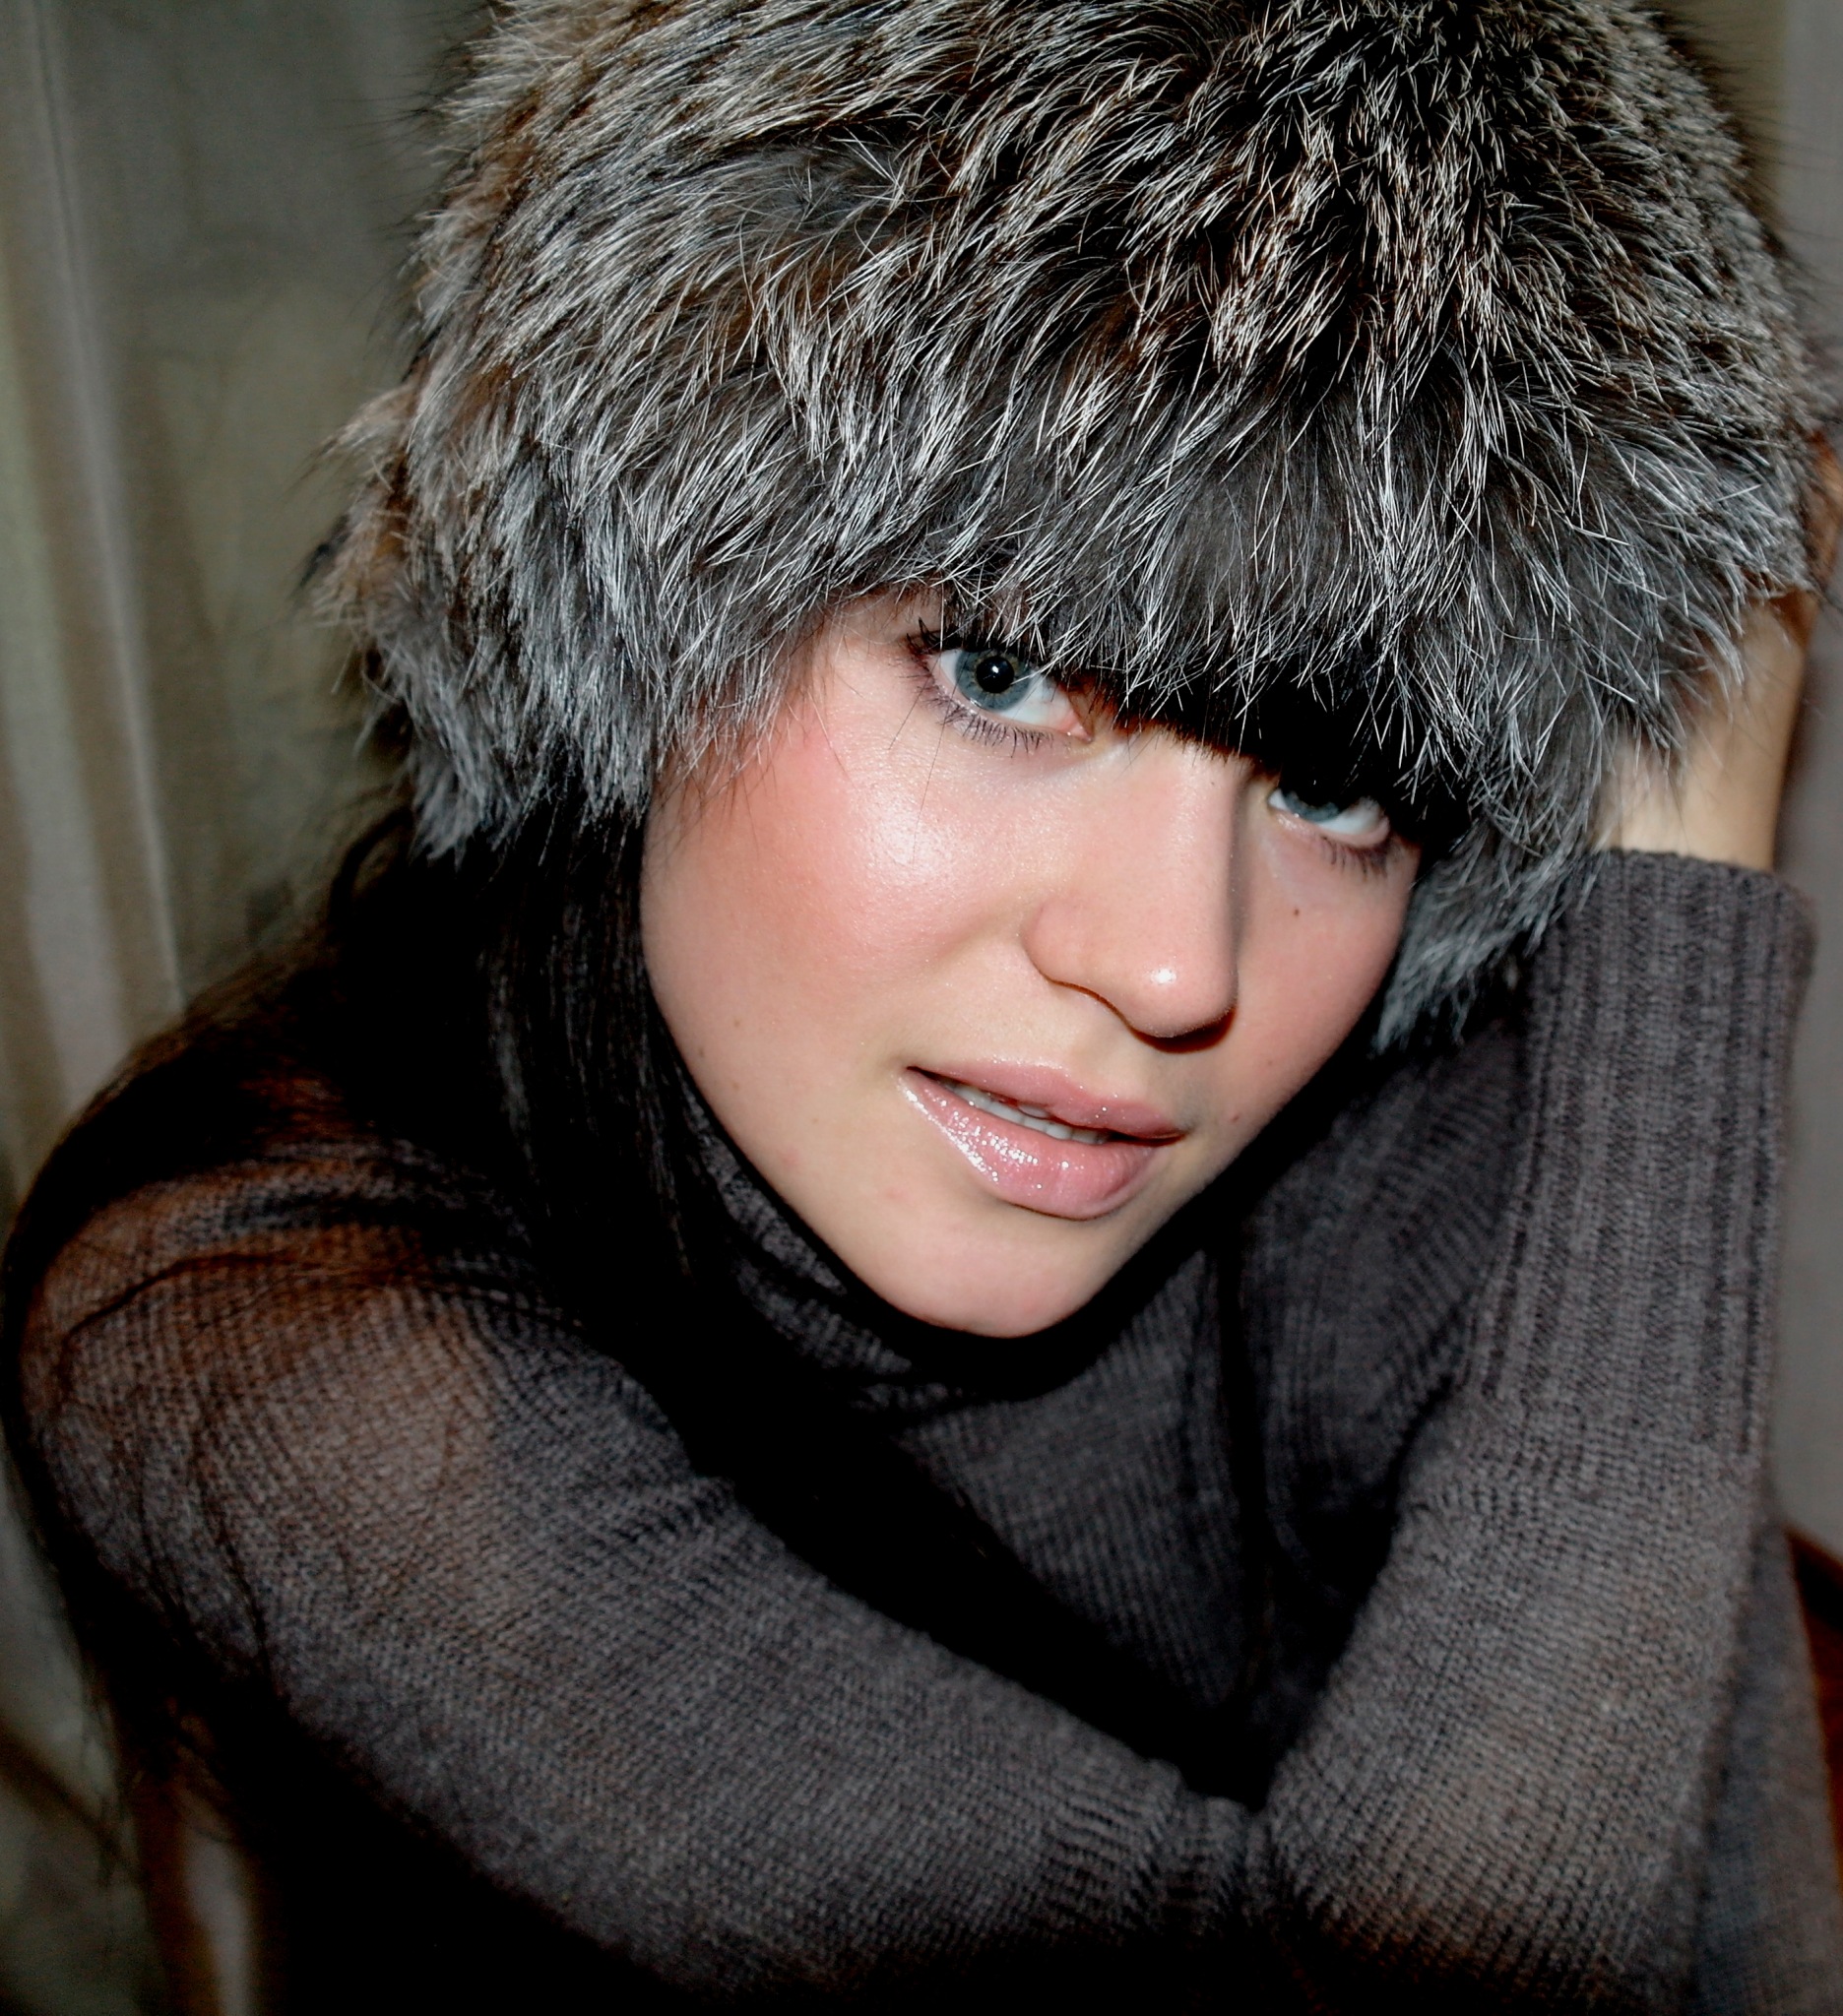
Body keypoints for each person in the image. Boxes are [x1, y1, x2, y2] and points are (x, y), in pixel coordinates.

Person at [6, 0, 1842, 2005]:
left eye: (1338, 780)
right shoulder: (250, 1330)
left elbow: (1741, 1936)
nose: (1176, 968)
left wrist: (1663, 938)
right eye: (1003, 674)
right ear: (638, 616)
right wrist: (1685, 963)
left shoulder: (1420, 1165)